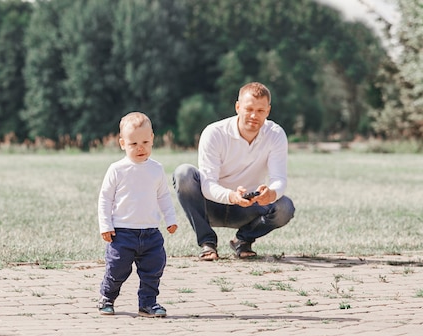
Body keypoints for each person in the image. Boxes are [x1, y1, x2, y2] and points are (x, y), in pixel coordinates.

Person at [173, 82, 294, 261]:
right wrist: (231, 196)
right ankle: (207, 243)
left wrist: (272, 193)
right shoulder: (214, 133)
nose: (254, 115)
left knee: (285, 207)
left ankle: (242, 240)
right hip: (210, 205)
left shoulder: (276, 134)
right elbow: (207, 185)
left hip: (249, 207)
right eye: (249, 108)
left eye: (260, 111)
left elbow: (279, 179)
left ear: (268, 111)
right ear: (238, 107)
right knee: (183, 173)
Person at [97, 112, 178, 317]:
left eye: (144, 141)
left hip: (150, 233)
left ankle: (148, 303)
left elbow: (164, 197)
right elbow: (105, 199)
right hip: (122, 234)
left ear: (152, 139)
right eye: (133, 143)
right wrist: (105, 225)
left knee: (153, 269)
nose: (140, 147)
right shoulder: (117, 169)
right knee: (117, 269)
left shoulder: (156, 169)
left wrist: (171, 219)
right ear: (122, 143)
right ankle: (107, 297)